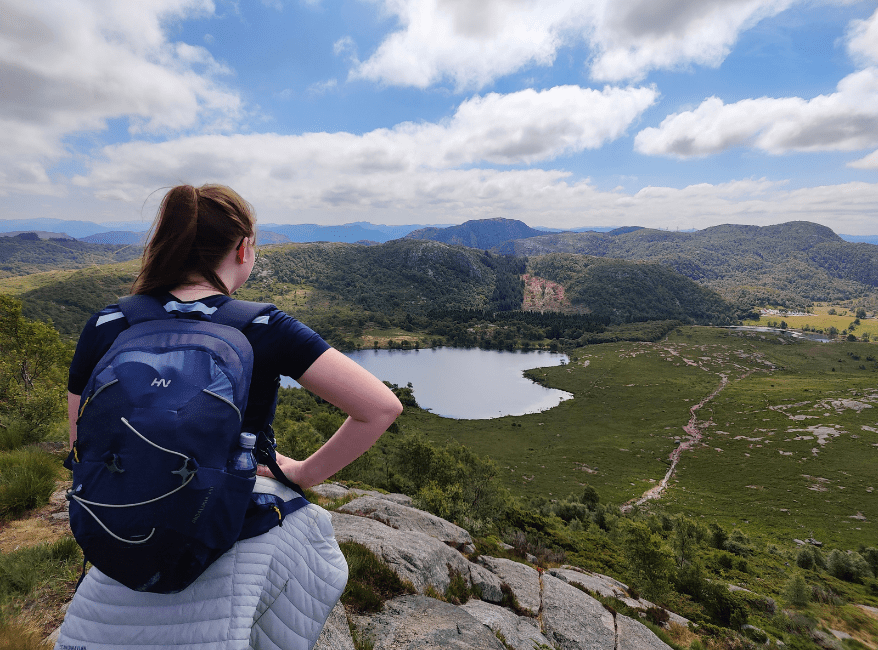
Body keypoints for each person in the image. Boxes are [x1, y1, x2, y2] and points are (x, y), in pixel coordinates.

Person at [57, 184, 403, 650]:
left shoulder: (108, 323)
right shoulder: (261, 325)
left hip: (115, 526)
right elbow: (380, 408)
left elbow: (82, 441)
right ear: (243, 249)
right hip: (225, 518)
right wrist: (301, 471)